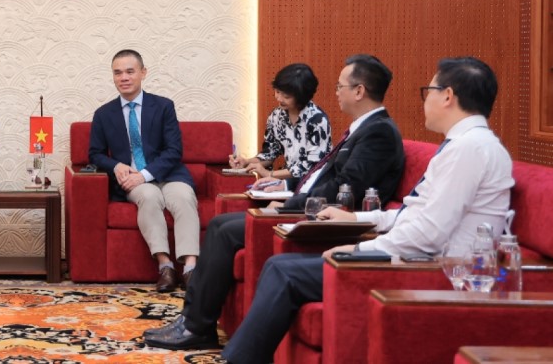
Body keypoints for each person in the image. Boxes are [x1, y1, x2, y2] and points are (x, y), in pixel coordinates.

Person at [219, 56, 513, 364]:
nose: (426, 101)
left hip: (432, 270)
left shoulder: (470, 149)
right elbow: (413, 215)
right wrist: (356, 217)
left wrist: (360, 249)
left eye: (430, 91)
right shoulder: (466, 145)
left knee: (283, 271)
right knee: (281, 266)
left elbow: (428, 234)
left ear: (448, 96)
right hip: (417, 256)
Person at [145, 54, 405, 350]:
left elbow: (346, 190)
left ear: (359, 91)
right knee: (219, 225)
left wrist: (288, 206)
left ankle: (196, 325)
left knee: (223, 229)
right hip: (306, 202)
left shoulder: (378, 132)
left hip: (324, 218)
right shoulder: (363, 127)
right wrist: (282, 184)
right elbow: (318, 175)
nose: (336, 92)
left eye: (340, 86)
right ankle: (194, 321)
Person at [88, 49, 199, 293]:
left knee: (183, 197)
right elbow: (94, 154)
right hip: (133, 182)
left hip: (168, 174)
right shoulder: (103, 114)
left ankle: (191, 268)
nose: (123, 77)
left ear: (143, 73)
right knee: (149, 198)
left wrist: (145, 174)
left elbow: (174, 150)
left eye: (130, 71)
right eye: (117, 73)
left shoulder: (163, 107)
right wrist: (116, 165)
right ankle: (165, 267)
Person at [229, 63, 332, 183]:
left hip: (313, 185)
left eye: (286, 96)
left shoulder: (317, 120)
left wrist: (270, 174)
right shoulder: (276, 116)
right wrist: (247, 162)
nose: (279, 98)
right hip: (287, 182)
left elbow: (312, 166)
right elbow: (270, 153)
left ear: (301, 97)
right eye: (277, 92)